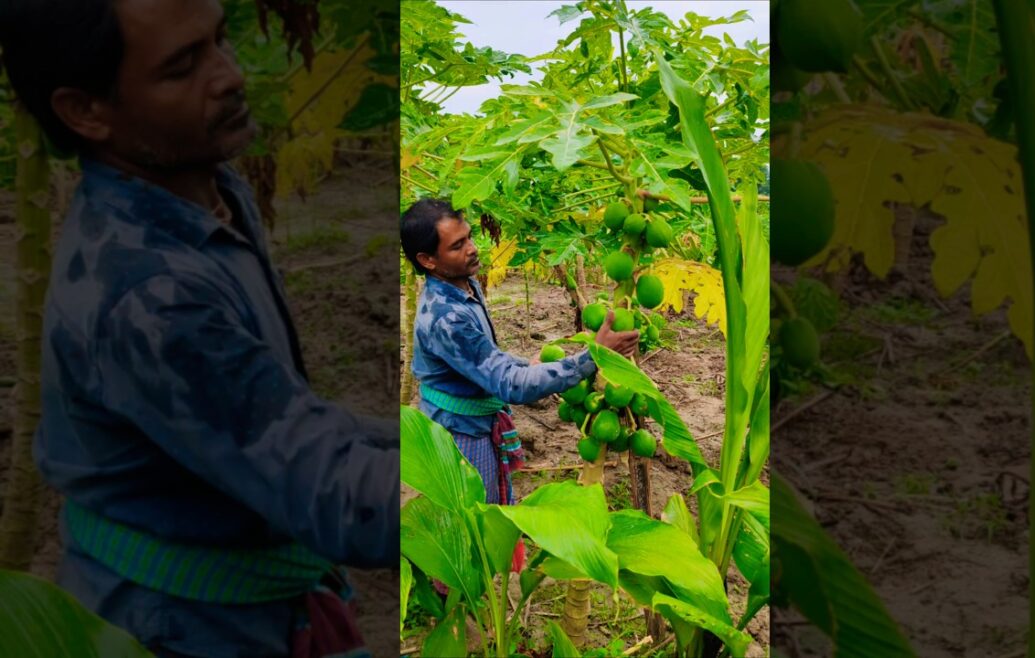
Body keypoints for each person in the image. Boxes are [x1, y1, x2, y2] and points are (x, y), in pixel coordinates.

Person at [0, 1, 397, 656]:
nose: (229, 75)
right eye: (183, 66)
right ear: (86, 111)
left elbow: (283, 416)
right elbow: (330, 488)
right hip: (188, 629)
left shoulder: (199, 188)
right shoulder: (152, 298)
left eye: (219, 40)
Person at [402, 198, 639, 515]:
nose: (472, 248)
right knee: (478, 520)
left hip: (474, 415)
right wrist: (594, 357)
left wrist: (525, 364)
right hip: (459, 431)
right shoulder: (447, 317)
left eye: (470, 236)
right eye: (457, 245)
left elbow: (485, 356)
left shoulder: (464, 283)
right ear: (428, 260)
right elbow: (510, 385)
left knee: (492, 507)